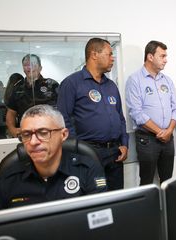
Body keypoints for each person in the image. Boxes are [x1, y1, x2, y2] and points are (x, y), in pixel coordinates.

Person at [0, 104, 107, 212]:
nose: (33, 142)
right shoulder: (10, 176)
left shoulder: (87, 169)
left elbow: (102, 219)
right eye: (26, 135)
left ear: (63, 135)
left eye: (43, 133)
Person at [57, 38, 128, 191]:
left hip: (114, 153)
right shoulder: (72, 83)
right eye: (109, 54)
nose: (112, 58)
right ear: (94, 54)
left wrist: (124, 144)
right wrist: (78, 149)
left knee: (117, 197)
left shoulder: (111, 86)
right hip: (88, 152)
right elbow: (64, 119)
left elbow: (120, 117)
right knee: (95, 197)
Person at [125, 40, 176, 185]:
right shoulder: (135, 80)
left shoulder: (167, 80)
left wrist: (169, 131)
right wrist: (160, 132)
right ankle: (147, 208)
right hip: (147, 139)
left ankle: (167, 208)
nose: (166, 60)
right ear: (150, 57)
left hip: (168, 138)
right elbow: (136, 113)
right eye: (162, 56)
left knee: (168, 181)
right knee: (147, 181)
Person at [6, 54, 59, 138]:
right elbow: (11, 112)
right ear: (23, 69)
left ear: (40, 68)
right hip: (27, 133)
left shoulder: (52, 85)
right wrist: (12, 129)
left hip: (49, 132)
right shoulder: (18, 88)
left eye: (33, 64)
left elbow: (63, 109)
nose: (29, 68)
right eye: (26, 65)